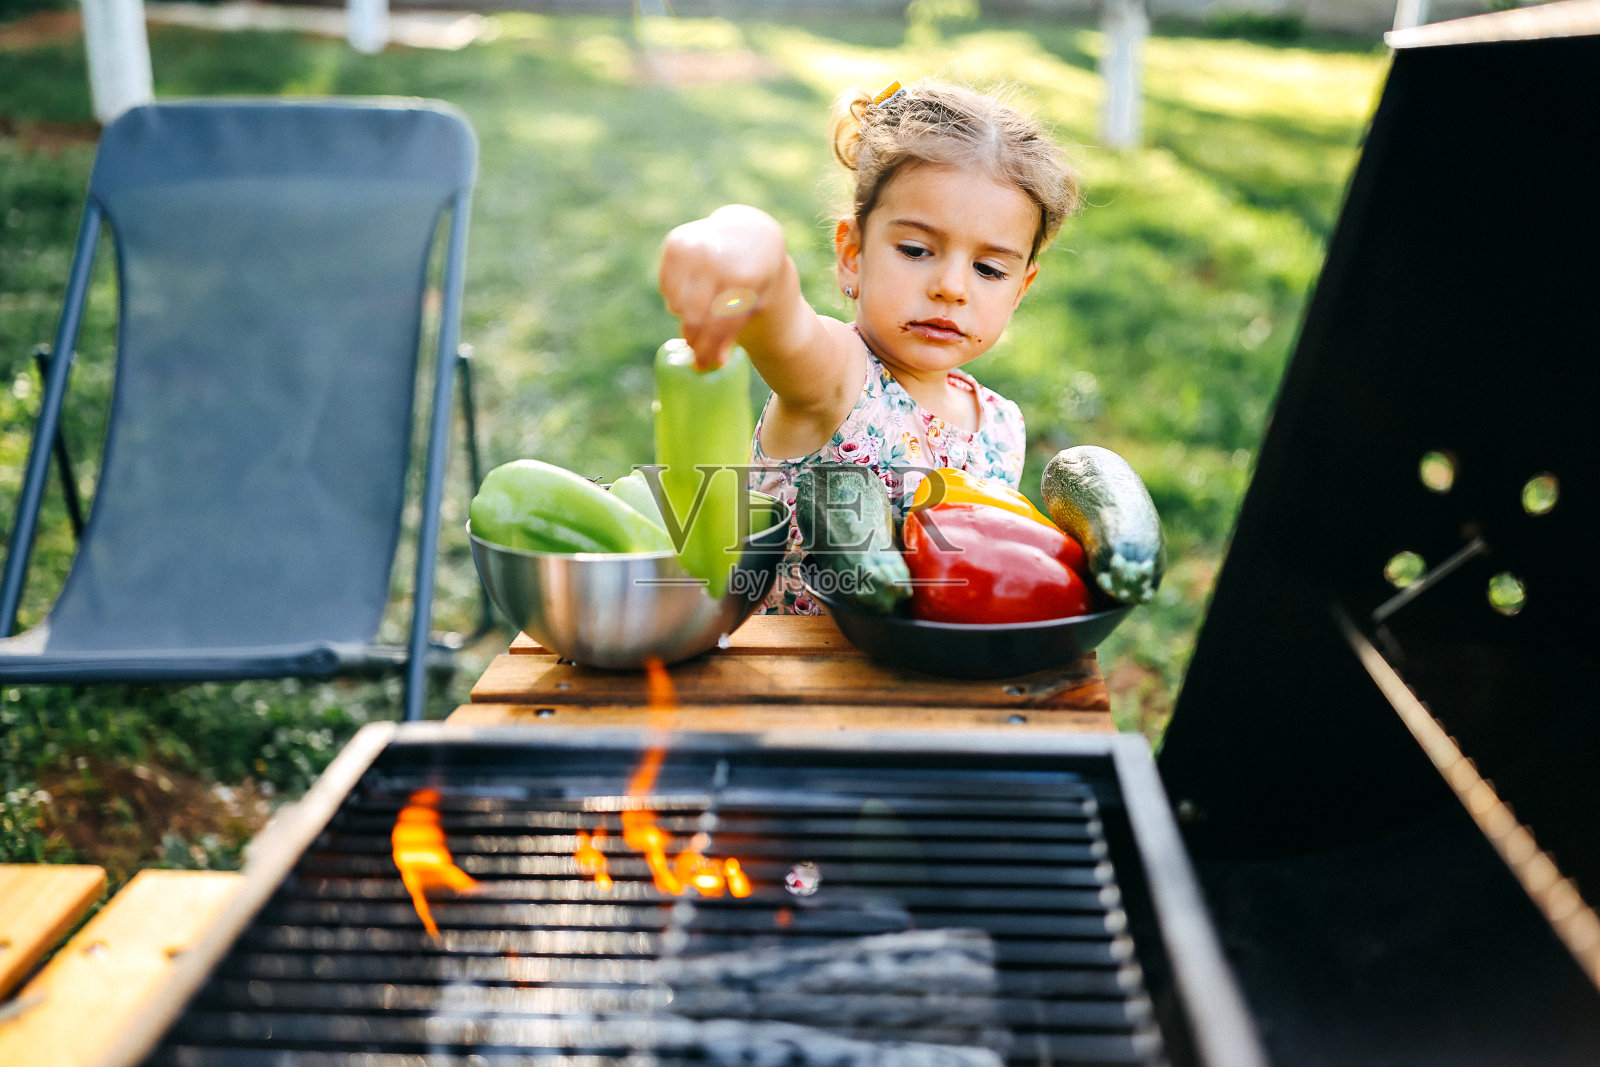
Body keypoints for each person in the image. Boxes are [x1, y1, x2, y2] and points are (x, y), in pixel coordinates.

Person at [657, 78, 1080, 613]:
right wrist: (746, 242)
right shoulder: (837, 378)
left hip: (924, 685)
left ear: (1020, 288)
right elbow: (779, 318)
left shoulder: (1000, 426)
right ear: (853, 255)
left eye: (989, 268)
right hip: (791, 679)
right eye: (915, 249)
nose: (952, 286)